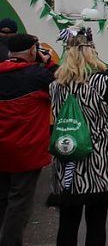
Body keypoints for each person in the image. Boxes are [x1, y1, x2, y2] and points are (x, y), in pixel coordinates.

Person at [48, 28, 108, 245]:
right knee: (96, 222)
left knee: (67, 221)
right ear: (91, 52)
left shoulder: (55, 85)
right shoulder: (104, 83)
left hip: (67, 158)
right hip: (98, 160)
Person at [0, 34, 56, 246]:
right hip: (26, 150)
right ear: (32, 51)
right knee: (19, 202)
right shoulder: (37, 75)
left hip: (1, 149)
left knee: (2, 198)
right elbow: (62, 84)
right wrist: (48, 62)